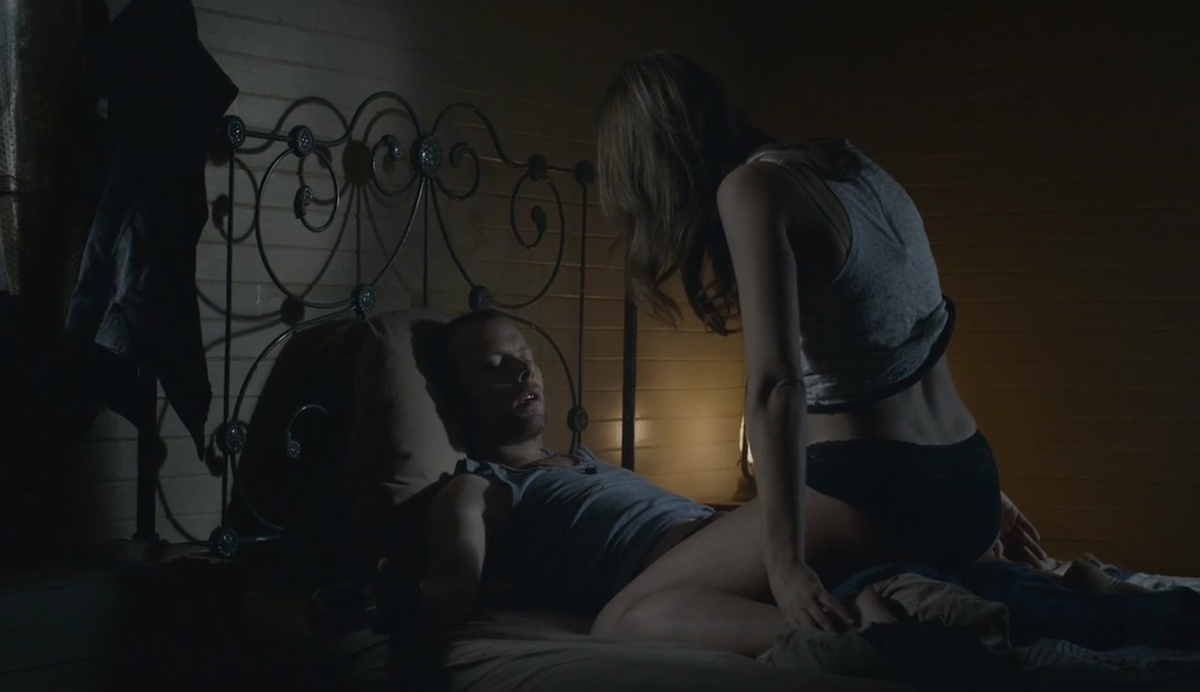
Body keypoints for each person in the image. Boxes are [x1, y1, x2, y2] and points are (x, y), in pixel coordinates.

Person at [592, 50, 1048, 646]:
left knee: (620, 620)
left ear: (655, 168)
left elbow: (778, 386)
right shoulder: (849, 165)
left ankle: (856, 635)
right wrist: (976, 491)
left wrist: (785, 565)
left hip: (880, 493)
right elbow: (904, 344)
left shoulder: (751, 188)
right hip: (972, 477)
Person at [394, 309, 902, 658]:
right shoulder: (478, 487)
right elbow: (454, 587)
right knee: (621, 623)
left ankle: (873, 612)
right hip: (689, 567)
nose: (524, 370)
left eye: (525, 354)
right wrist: (400, 592)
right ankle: (859, 631)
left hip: (719, 538)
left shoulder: (586, 460)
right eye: (494, 366)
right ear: (460, 400)